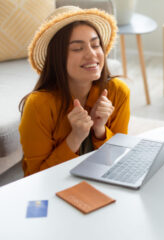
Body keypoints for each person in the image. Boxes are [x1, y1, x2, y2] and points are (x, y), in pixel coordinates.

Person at [19, 6, 130, 176]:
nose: (92, 54)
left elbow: (119, 161)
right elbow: (35, 178)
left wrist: (100, 130)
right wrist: (75, 137)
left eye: (95, 45)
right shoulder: (38, 105)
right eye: (78, 48)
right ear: (58, 58)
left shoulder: (118, 92)